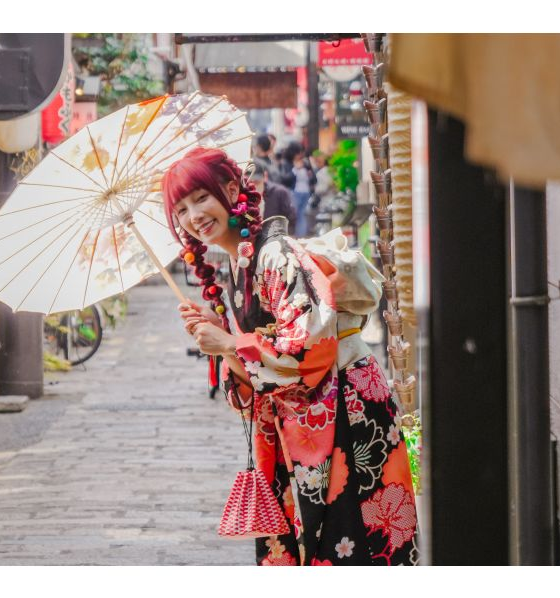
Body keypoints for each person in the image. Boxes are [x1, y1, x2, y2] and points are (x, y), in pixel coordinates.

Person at [163, 147, 418, 566]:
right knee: (315, 540)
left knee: (353, 540)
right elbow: (255, 373)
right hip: (305, 422)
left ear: (231, 191)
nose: (194, 215)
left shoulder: (275, 254)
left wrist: (230, 343)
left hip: (345, 411)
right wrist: (224, 329)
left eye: (202, 198)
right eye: (182, 208)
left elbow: (308, 349)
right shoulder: (239, 266)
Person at [250, 162, 297, 235]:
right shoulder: (244, 195)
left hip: (276, 237)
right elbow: (245, 216)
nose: (253, 186)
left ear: (265, 176)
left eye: (256, 182)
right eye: (249, 183)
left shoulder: (280, 192)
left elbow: (291, 217)